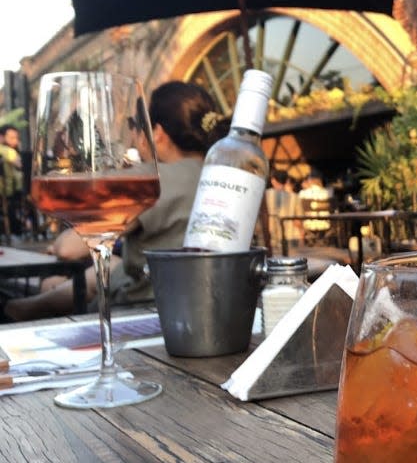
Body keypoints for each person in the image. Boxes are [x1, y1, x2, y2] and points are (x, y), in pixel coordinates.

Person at [5, 82, 228, 321]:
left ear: (158, 134)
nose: (133, 133)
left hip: (149, 309)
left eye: (135, 124)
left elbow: (68, 248)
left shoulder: (150, 178)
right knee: (95, 273)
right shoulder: (225, 173)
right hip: (214, 300)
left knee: (54, 286)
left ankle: (13, 314)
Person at [265, 168, 304, 254]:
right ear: (286, 181)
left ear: (273, 181)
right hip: (290, 238)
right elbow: (299, 221)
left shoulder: (265, 195)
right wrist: (302, 236)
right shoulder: (295, 197)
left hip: (269, 239)